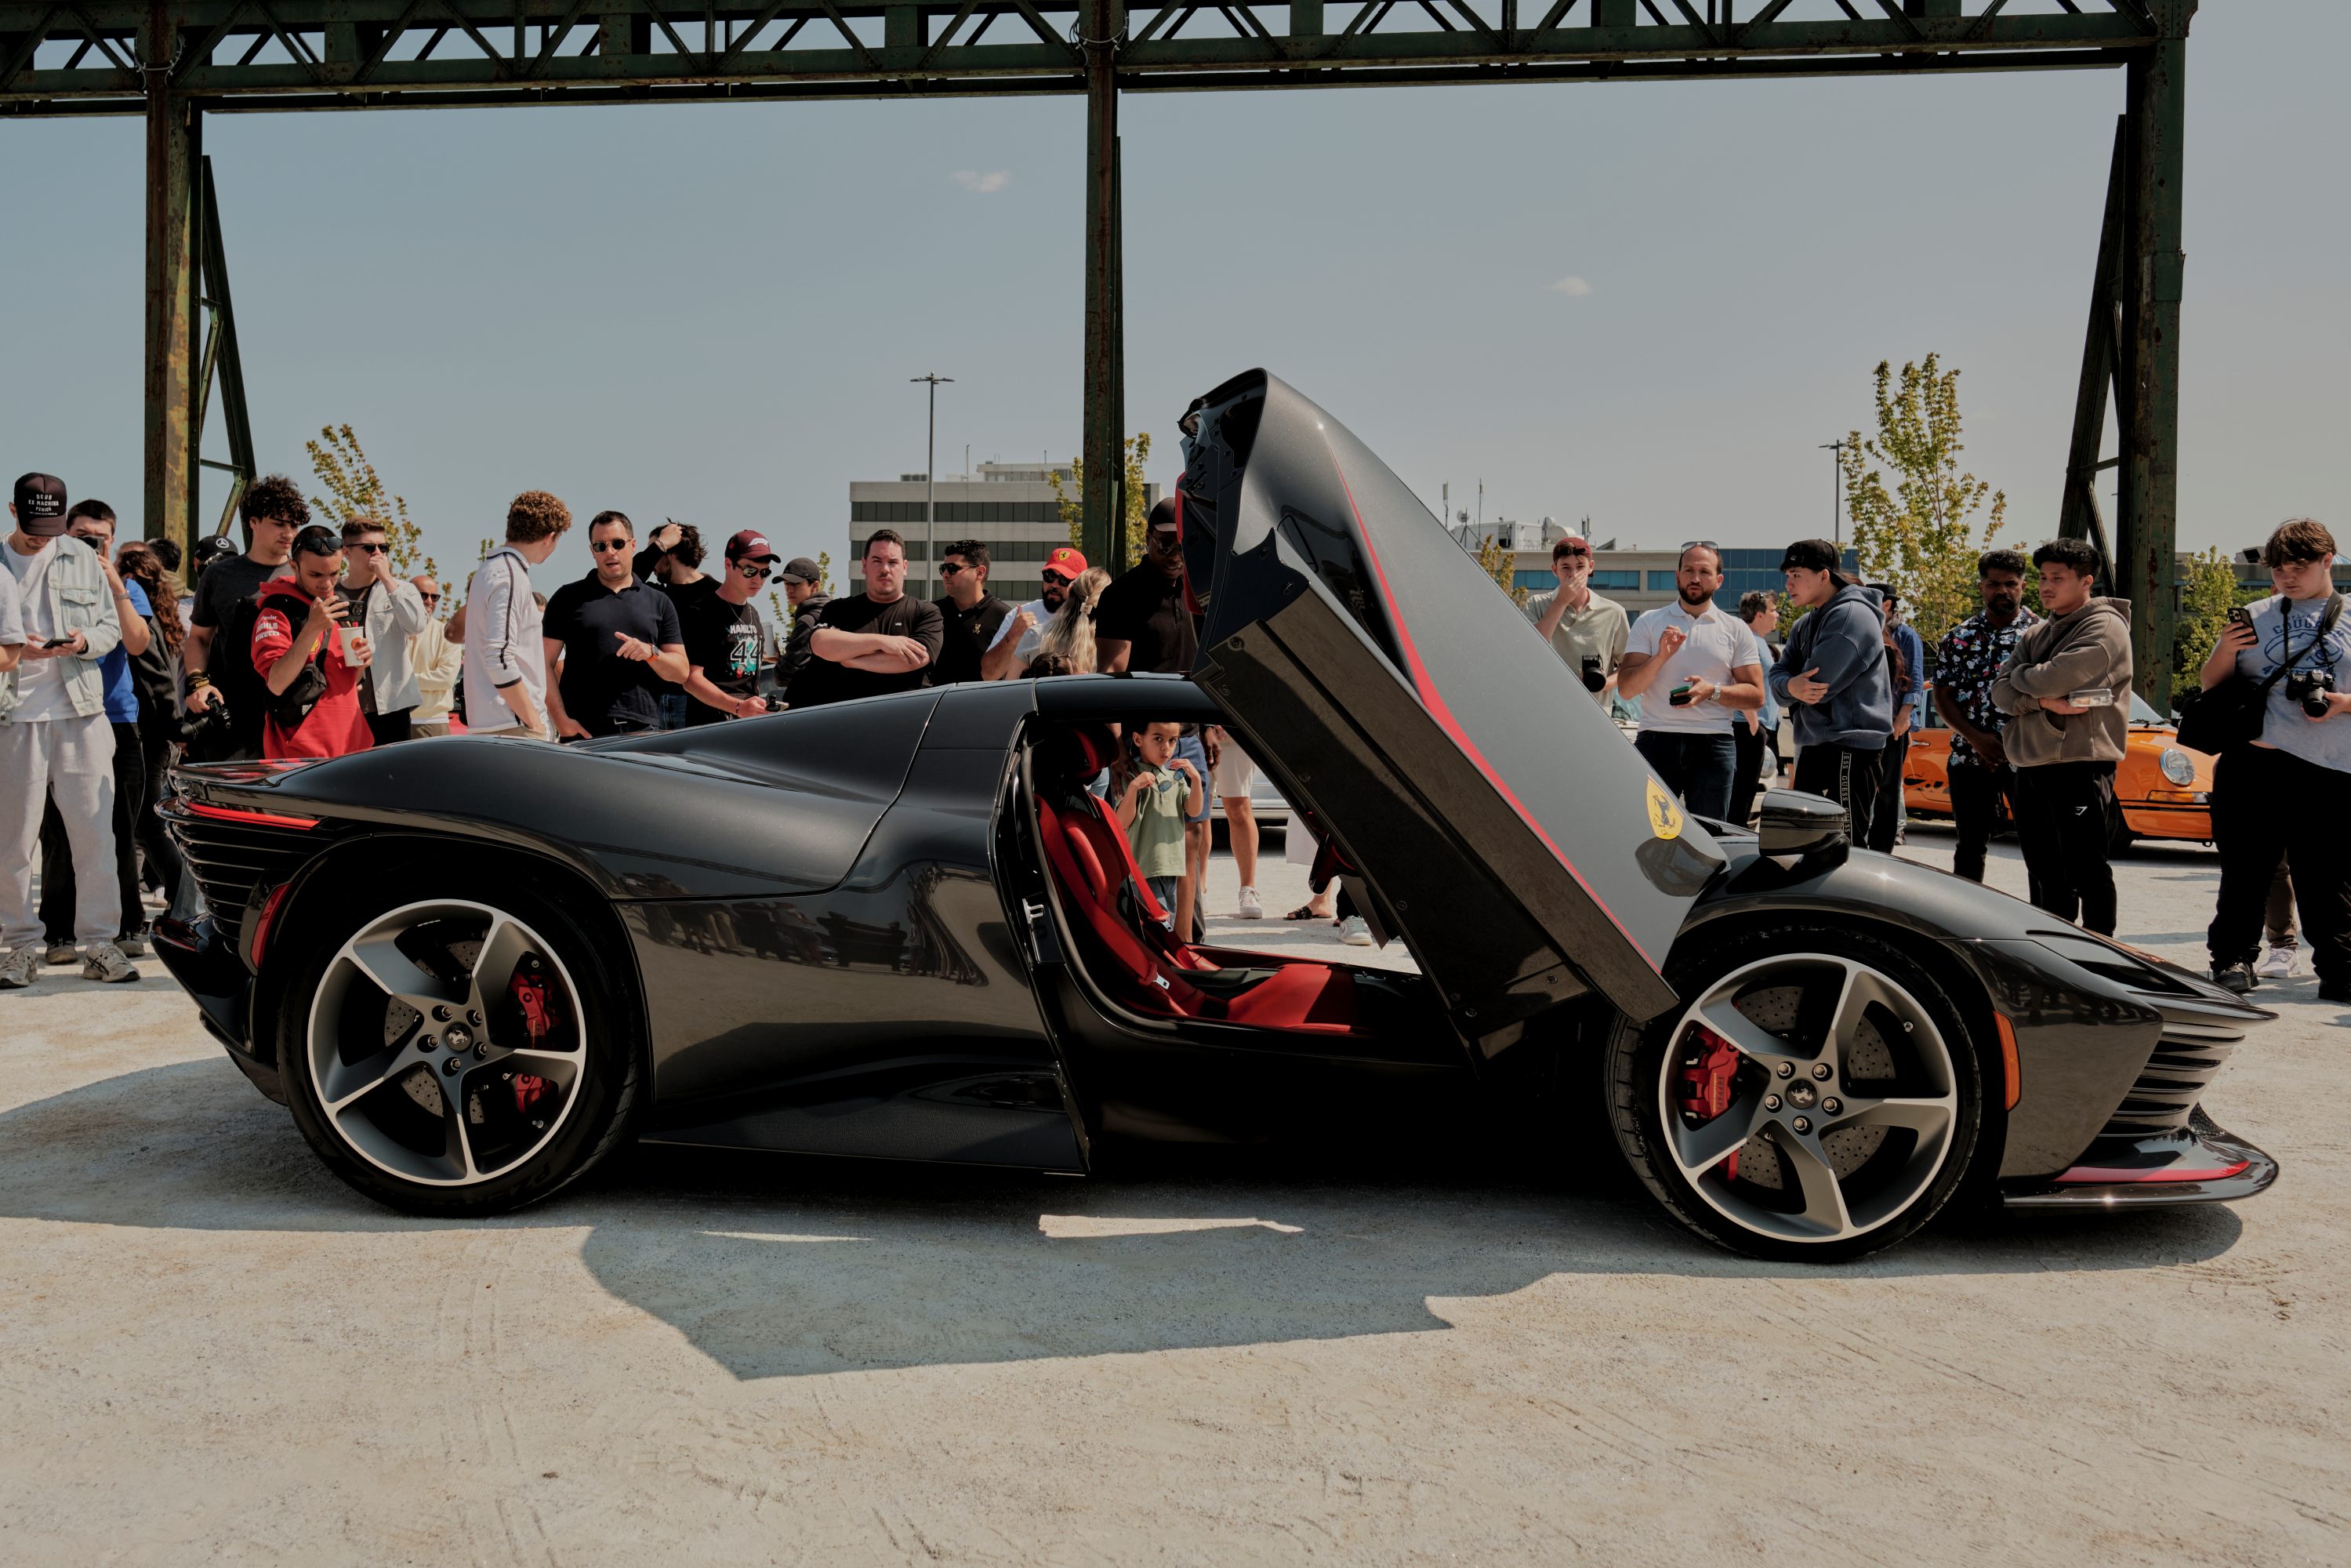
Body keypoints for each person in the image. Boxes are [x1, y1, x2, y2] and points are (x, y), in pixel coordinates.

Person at [2198, 518, 2351, 996]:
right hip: (2253, 764)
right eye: (2280, 567)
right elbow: (2210, 685)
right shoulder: (2254, 613)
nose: (2288, 576)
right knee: (2244, 872)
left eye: (2300, 566)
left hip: (2327, 767)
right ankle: (2231, 961)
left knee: (2328, 878)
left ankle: (2340, 968)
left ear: (2329, 561)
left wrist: (2343, 703)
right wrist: (2225, 647)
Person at [0, 473, 136, 986]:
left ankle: (101, 943)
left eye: (51, 526)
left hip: (80, 711)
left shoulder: (81, 557)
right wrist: (17, 652)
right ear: (13, 512)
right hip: (14, 715)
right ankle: (19, 946)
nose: (42, 537)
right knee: (13, 843)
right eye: (34, 526)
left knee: (95, 835)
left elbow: (108, 628)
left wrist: (81, 642)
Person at [1987, 537, 2132, 938]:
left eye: (2057, 578)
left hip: (2079, 762)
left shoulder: (2104, 626)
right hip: (2031, 763)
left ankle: (2102, 949)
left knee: (2086, 867)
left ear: (2086, 581)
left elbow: (2046, 678)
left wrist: (2024, 681)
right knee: (2044, 869)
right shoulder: (2036, 632)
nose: (2046, 586)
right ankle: (2056, 953)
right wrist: (2040, 701)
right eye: (2043, 577)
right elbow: (1999, 692)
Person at [35, 502, 154, 963]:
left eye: (100, 538)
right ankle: (58, 933)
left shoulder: (125, 586)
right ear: (64, 533)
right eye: (82, 535)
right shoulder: (49, 579)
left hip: (117, 718)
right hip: (58, 715)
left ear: (112, 540)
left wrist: (113, 582)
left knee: (120, 828)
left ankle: (128, 924)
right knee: (59, 832)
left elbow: (138, 643)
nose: (90, 544)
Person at [1098, 501, 1212, 937]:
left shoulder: (1200, 588)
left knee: (1192, 836)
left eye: (1184, 543)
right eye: (1166, 542)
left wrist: (1210, 728)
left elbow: (1210, 663)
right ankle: (1141, 935)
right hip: (1140, 738)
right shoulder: (1124, 593)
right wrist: (1115, 747)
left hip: (1188, 733)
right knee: (1141, 840)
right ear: (1147, 539)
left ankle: (1188, 940)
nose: (1176, 552)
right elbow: (1110, 672)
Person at [1616, 543, 1765, 821]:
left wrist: (1713, 691)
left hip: (1714, 745)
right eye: (1689, 570)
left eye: (1704, 572)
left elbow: (1756, 696)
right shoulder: (1649, 622)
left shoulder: (1735, 629)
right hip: (1656, 740)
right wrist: (1661, 656)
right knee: (1650, 834)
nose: (1695, 578)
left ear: (1719, 580)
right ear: (1677, 576)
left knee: (1710, 838)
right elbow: (1626, 689)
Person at [1768, 539, 1894, 843]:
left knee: (1842, 846)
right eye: (1787, 575)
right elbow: (1778, 677)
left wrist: (1790, 686)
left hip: (1848, 747)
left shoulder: (1852, 616)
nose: (1788, 584)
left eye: (1797, 574)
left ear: (1824, 576)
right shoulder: (1804, 623)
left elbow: (1817, 686)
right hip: (1816, 746)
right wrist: (1789, 686)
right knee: (1806, 845)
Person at [1932, 550, 2040, 889]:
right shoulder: (1958, 637)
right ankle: (1964, 924)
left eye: (2011, 584)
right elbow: (1943, 696)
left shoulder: (2042, 636)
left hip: (2027, 758)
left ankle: (2045, 925)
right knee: (1969, 848)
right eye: (1994, 584)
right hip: (1968, 756)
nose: (2003, 591)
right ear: (1981, 587)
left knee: (2040, 850)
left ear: (2023, 587)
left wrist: (2008, 743)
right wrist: (1977, 739)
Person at [183, 474, 307, 760]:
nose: (288, 533)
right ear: (253, 521)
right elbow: (200, 637)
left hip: (295, 713)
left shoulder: (307, 576)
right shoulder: (219, 575)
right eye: (278, 523)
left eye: (294, 524)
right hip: (232, 714)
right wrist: (198, 683)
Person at [542, 511, 690, 739]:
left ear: (632, 545)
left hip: (643, 732)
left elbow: (681, 672)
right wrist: (561, 720)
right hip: (584, 733)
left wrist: (652, 654)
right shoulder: (568, 597)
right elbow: (543, 663)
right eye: (601, 546)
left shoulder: (659, 601)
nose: (609, 552)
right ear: (592, 551)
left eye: (618, 544)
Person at [249, 525, 376, 760]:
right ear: (294, 566)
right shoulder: (276, 611)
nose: (327, 584)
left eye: (334, 574)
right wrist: (312, 628)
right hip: (301, 758)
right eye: (316, 575)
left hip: (353, 749)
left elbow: (350, 685)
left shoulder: (338, 609)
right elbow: (276, 683)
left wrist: (361, 664)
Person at [462, 491, 572, 741]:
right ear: (550, 537)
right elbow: (499, 658)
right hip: (513, 725)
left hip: (495, 722)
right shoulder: (510, 575)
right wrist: (534, 722)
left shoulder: (488, 570)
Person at [792, 529, 943, 709]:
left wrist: (851, 659)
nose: (885, 569)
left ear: (904, 567)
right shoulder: (839, 609)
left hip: (908, 723)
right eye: (877, 561)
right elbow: (820, 643)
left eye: (893, 562)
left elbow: (916, 658)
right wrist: (884, 642)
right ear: (864, 565)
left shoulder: (926, 612)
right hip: (846, 722)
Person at [113, 543, 186, 909]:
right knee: (146, 823)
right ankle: (180, 897)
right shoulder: (166, 612)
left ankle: (184, 898)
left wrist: (175, 725)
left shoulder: (140, 616)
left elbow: (156, 676)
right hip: (161, 730)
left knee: (146, 825)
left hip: (148, 730)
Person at [334, 517, 430, 747]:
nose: (378, 553)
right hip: (342, 704)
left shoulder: (401, 589)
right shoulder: (331, 591)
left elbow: (417, 625)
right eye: (369, 548)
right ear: (346, 552)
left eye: (383, 547)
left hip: (389, 707)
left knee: (392, 779)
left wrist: (387, 579)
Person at [677, 531, 774, 724]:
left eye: (765, 572)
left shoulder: (754, 613)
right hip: (711, 726)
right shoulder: (701, 612)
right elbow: (690, 679)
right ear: (728, 565)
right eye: (750, 571)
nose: (758, 580)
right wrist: (737, 707)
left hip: (747, 723)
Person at [1523, 532, 1631, 703]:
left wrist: (1603, 683)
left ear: (1591, 567)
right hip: (1547, 708)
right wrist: (1561, 601)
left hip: (1595, 713)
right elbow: (1529, 650)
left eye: (1580, 567)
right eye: (1566, 567)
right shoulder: (1536, 604)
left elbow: (1629, 665)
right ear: (1554, 570)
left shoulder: (1614, 612)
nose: (1573, 574)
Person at [1116, 720, 1203, 924]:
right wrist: (1133, 789)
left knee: (1165, 920)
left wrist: (1196, 779)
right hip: (1144, 867)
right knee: (1159, 924)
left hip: (1171, 865)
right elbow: (1122, 822)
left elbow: (1194, 809)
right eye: (1158, 739)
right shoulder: (1131, 775)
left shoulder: (1177, 778)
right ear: (1138, 739)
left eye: (1172, 741)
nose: (1166, 747)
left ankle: (1159, 955)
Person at [635, 521, 714, 728]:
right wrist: (660, 544)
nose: (652, 562)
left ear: (672, 553)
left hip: (698, 704)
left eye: (658, 550)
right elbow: (627, 577)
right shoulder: (656, 595)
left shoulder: (716, 594)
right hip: (653, 703)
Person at [982, 545, 1088, 680]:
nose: (1054, 585)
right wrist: (1013, 636)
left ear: (1078, 585)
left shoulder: (1090, 618)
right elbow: (988, 676)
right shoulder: (1020, 615)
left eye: (1064, 580)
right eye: (1049, 576)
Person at [1727, 590, 1782, 828]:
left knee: (1748, 793)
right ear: (1759, 615)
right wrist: (1753, 721)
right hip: (1747, 726)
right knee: (1742, 794)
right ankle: (1733, 838)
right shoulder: (1747, 640)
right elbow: (1738, 679)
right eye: (1772, 610)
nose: (1777, 614)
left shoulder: (1758, 641)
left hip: (1758, 726)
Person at [929, 540, 1012, 686]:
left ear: (979, 572)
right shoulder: (931, 612)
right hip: (934, 705)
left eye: (953, 568)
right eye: (943, 568)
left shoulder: (1004, 616)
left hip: (981, 705)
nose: (946, 574)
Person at [406, 575, 462, 737]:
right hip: (392, 722)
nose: (429, 601)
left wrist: (404, 681)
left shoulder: (447, 634)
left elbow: (446, 678)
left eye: (434, 597)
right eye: (423, 595)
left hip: (432, 723)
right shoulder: (392, 631)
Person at [770, 556, 833, 699]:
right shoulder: (830, 613)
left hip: (810, 706)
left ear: (815, 586)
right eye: (786, 584)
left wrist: (780, 663)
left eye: (796, 584)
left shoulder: (807, 621)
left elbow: (783, 676)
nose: (789, 589)